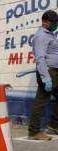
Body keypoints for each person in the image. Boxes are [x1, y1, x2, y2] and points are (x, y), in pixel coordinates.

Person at [28, 10, 58, 140]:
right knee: (41, 101)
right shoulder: (41, 36)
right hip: (48, 72)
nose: (56, 25)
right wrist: (46, 79)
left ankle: (54, 125)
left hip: (55, 71)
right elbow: (40, 58)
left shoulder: (50, 34)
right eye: (54, 22)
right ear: (45, 21)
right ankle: (34, 131)